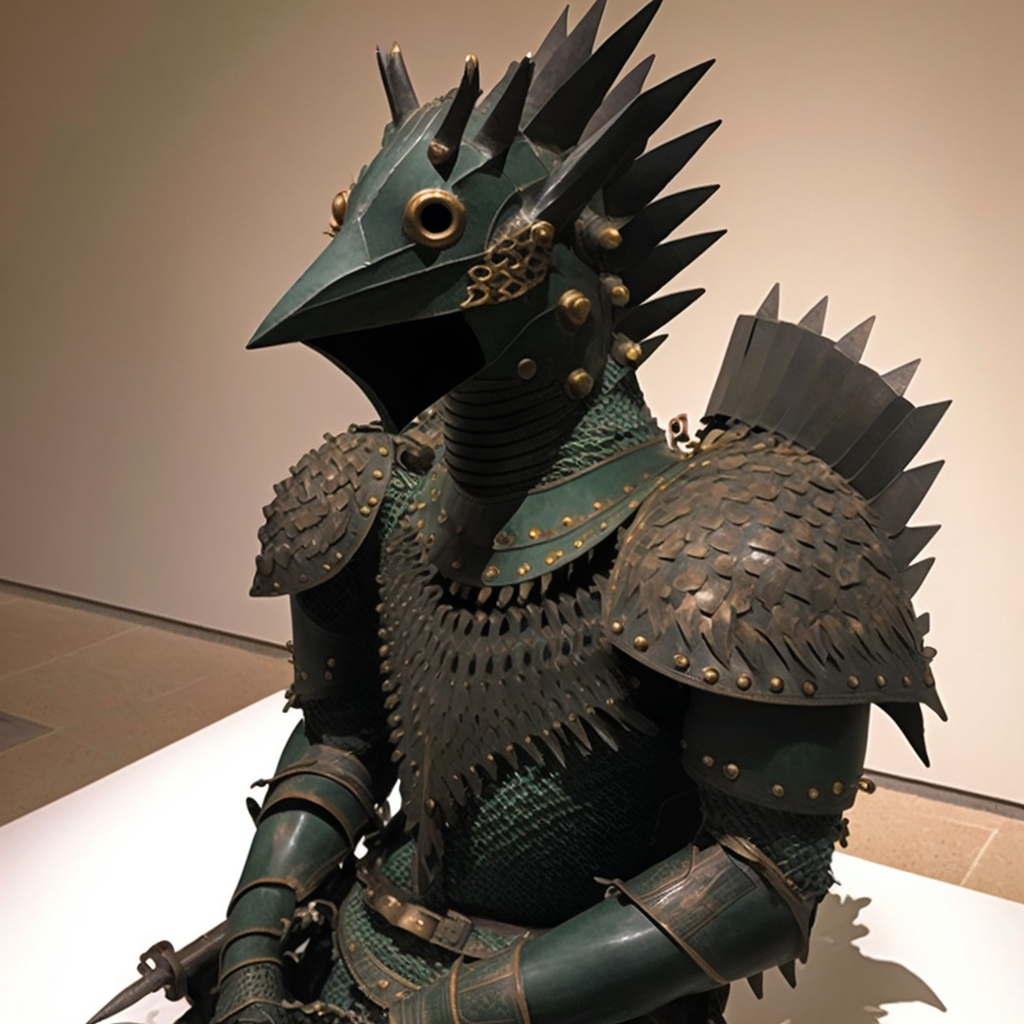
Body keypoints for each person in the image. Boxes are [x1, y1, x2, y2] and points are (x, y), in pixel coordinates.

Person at [209, 4, 946, 1022]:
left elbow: (760, 881)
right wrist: (253, 947)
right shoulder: (375, 492)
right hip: (364, 941)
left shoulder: (735, 540)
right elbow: (343, 740)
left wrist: (445, 1014)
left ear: (550, 267)